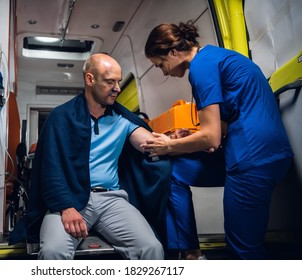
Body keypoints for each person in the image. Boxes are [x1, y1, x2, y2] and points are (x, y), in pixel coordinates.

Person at [142, 20, 294, 260]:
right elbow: (228, 123)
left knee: (243, 249)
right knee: (174, 172)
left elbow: (211, 138)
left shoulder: (201, 69)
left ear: (173, 52)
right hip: (267, 152)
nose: (165, 72)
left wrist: (168, 145)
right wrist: (191, 135)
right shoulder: (216, 57)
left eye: (161, 65)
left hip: (251, 159)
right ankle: (191, 252)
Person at [26, 53, 171, 260]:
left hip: (112, 200)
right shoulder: (61, 117)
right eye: (110, 81)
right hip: (69, 200)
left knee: (151, 247)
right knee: (53, 251)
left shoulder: (122, 119)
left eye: (119, 81)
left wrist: (173, 141)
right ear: (90, 79)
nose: (118, 88)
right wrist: (66, 207)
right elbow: (50, 168)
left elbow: (149, 144)